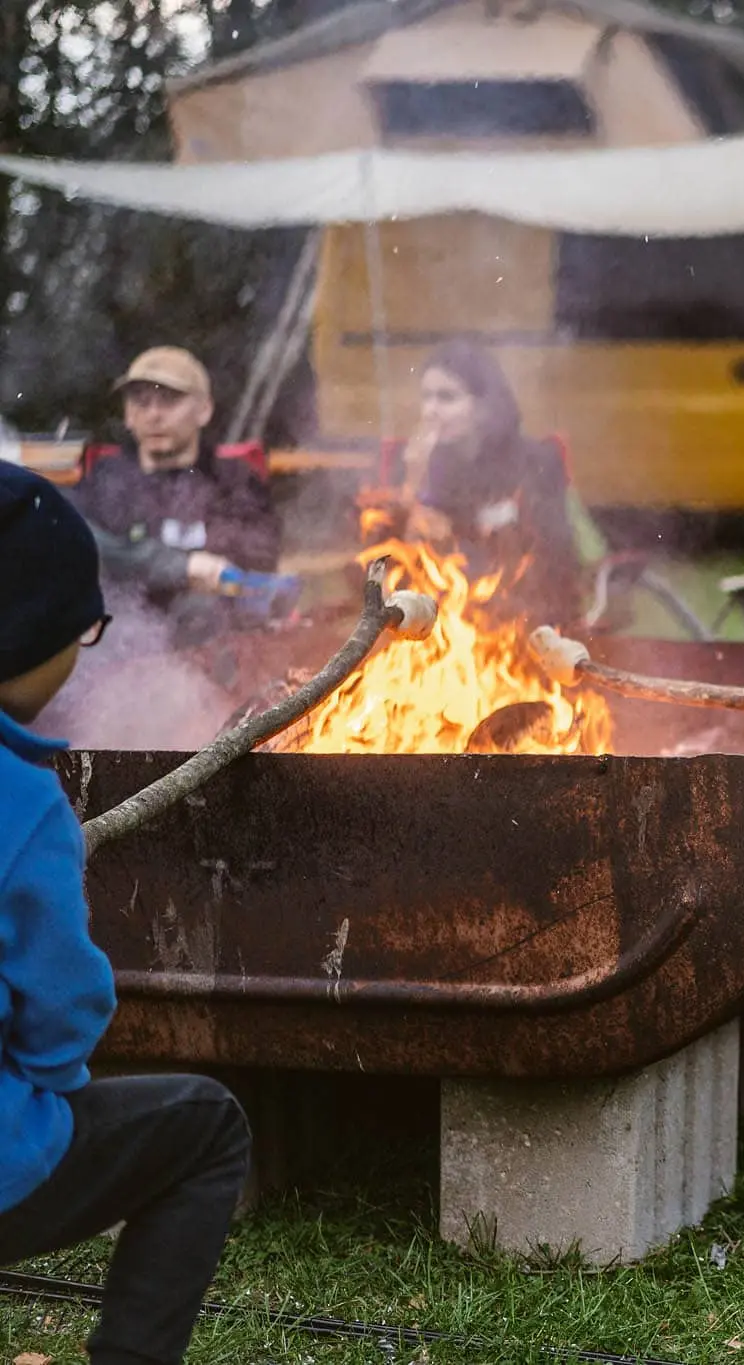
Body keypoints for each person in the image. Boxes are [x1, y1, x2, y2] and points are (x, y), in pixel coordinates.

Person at [0, 462, 252, 1365]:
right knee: (206, 1126)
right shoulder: (24, 805)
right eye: (83, 629)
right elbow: (61, 1006)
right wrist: (54, 1086)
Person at [68, 346, 292, 646]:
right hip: (116, 637)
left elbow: (257, 559)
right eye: (141, 402)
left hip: (213, 643)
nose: (154, 415)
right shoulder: (106, 479)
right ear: (127, 415)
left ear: (204, 410)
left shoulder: (233, 481)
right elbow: (76, 548)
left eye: (169, 400)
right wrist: (178, 567)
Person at [383, 340, 587, 625]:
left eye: (446, 398)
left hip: (526, 616)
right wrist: (414, 479)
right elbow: (394, 562)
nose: (430, 411)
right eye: (426, 397)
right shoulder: (421, 463)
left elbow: (555, 553)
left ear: (483, 406)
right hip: (444, 618)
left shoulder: (533, 460)